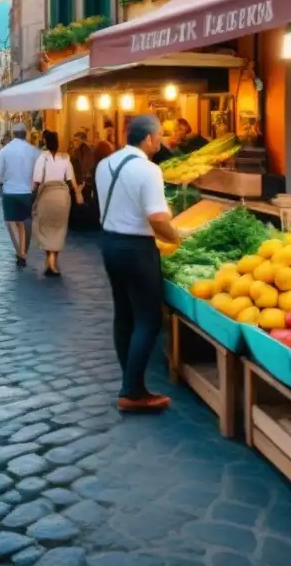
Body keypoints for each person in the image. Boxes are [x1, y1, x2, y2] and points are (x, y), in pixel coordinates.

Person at [96, 114, 181, 413]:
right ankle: (132, 391)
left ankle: (130, 382)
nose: (162, 140)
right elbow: (158, 219)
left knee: (124, 314)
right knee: (149, 319)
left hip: (109, 244)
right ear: (147, 139)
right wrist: (178, 238)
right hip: (136, 248)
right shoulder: (148, 170)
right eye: (160, 135)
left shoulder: (104, 163)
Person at [32, 130, 83, 276]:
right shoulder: (65, 158)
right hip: (62, 196)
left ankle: (50, 259)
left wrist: (31, 194)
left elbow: (36, 179)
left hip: (47, 195)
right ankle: (53, 261)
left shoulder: (43, 158)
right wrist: (78, 194)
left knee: (47, 227)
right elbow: (71, 178)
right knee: (59, 228)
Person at [0, 122, 40, 267]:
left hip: (10, 191)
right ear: (25, 134)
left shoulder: (4, 151)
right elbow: (39, 171)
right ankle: (23, 250)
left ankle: (20, 253)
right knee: (26, 221)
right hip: (27, 191)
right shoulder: (34, 151)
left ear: (13, 134)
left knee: (11, 222)